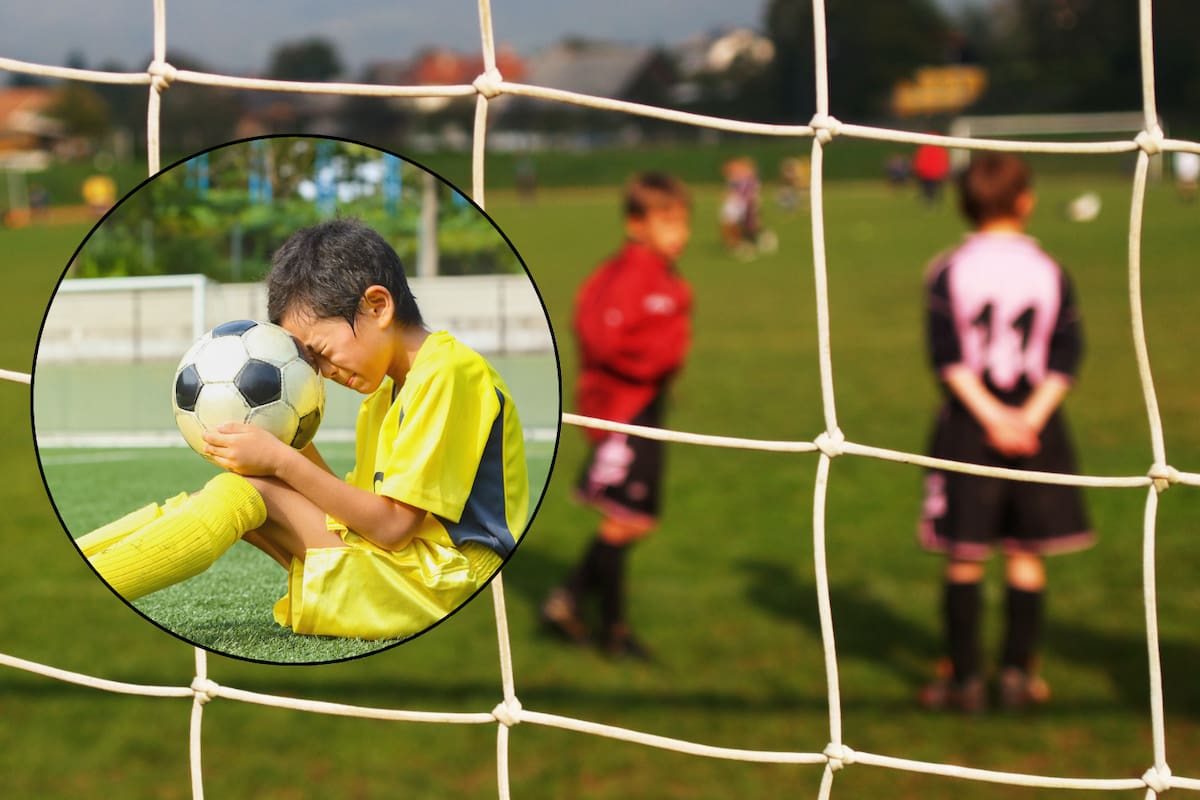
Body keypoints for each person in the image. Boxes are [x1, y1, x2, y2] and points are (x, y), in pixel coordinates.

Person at [79, 218, 529, 641]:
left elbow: (391, 527)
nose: (326, 371)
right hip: (409, 569)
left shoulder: (448, 372)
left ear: (377, 306)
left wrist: (281, 460)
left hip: (448, 584)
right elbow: (356, 517)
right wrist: (288, 441)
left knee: (246, 492)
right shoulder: (383, 399)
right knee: (225, 493)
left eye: (323, 352)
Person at [918, 153, 1094, 712]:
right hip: (1036, 424)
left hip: (970, 424)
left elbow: (947, 357)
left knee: (965, 556)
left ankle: (965, 681)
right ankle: (1018, 677)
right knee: (1025, 554)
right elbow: (1067, 353)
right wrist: (1029, 418)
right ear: (1026, 201)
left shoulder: (947, 269)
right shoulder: (1050, 269)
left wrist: (992, 417)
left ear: (962, 204)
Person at [540, 172, 693, 659]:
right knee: (626, 519)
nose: (680, 233)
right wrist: (653, 365)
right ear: (636, 224)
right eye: (668, 222)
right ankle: (612, 631)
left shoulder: (665, 276)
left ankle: (569, 603)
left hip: (645, 404)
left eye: (683, 222)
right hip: (623, 411)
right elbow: (601, 338)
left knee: (631, 519)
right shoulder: (626, 276)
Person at [912, 138, 951, 205]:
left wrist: (919, 169)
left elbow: (920, 160)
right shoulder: (940, 148)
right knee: (934, 188)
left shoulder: (924, 147)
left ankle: (929, 199)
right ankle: (934, 199)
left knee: (928, 188)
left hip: (927, 173)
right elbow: (944, 161)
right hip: (936, 173)